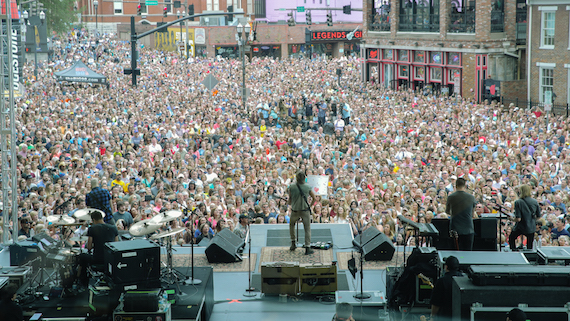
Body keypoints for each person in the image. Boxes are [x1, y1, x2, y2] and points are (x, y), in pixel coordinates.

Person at [77, 210, 118, 287]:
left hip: (97, 259)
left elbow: (89, 247)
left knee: (82, 256)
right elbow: (117, 245)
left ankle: (82, 281)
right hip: (111, 260)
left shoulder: (93, 228)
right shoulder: (113, 228)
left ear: (93, 220)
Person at [288, 171, 316, 255]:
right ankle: (307, 247)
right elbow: (314, 198)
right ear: (304, 177)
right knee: (307, 229)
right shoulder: (307, 187)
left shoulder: (292, 186)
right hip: (305, 210)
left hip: (295, 210)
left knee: (292, 225)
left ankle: (293, 243)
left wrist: (291, 203)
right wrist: (309, 205)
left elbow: (290, 200)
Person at [445, 178, 476, 250]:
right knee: (468, 252)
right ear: (465, 186)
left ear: (455, 186)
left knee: (455, 251)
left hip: (455, 228)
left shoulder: (451, 197)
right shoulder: (471, 197)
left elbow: (447, 211)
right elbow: (472, 214)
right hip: (468, 228)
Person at [430, 256, 463, 321]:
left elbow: (436, 303)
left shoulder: (441, 281)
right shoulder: (463, 279)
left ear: (446, 267)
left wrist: (432, 316)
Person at [509, 184, 540, 251]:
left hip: (521, 227)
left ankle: (513, 252)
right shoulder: (535, 201)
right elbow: (538, 216)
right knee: (530, 246)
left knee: (512, 238)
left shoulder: (518, 202)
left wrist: (512, 219)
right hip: (531, 227)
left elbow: (518, 219)